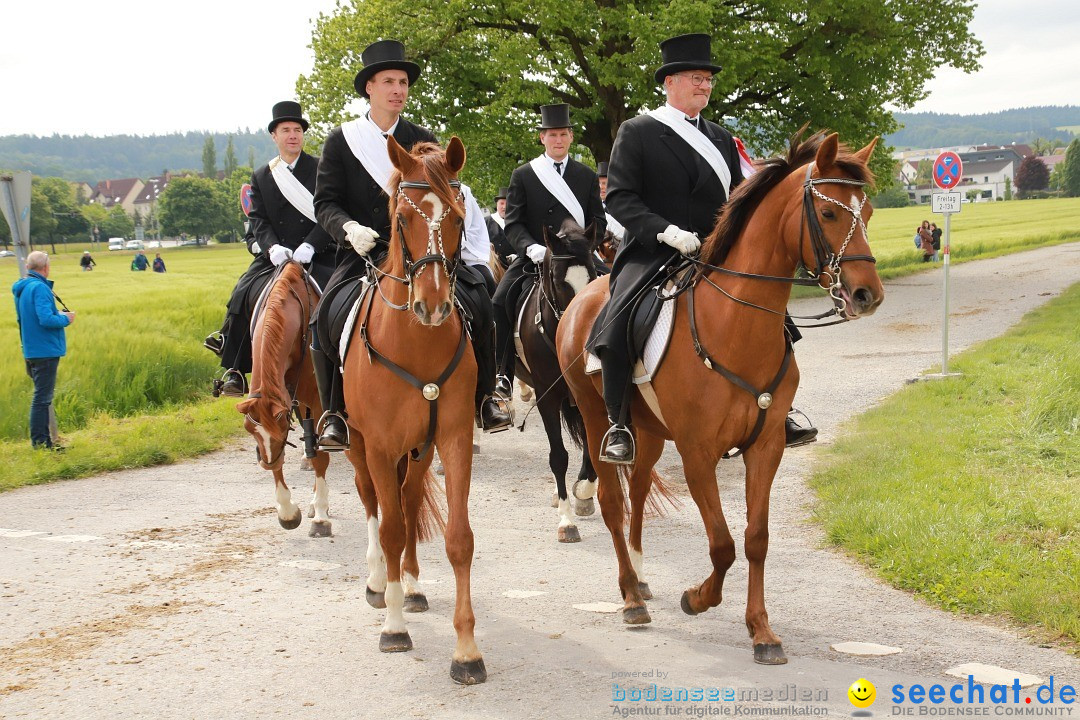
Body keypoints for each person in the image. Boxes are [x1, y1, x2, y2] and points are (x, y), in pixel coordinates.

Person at [591, 33, 816, 464]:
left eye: (709, 80)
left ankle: (775, 410)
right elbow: (619, 198)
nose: (705, 86)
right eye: (697, 78)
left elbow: (739, 197)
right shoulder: (637, 132)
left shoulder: (721, 139)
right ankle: (619, 422)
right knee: (618, 316)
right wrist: (666, 231)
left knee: (772, 317)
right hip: (654, 249)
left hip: (715, 251)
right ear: (670, 82)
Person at [311, 39, 511, 450]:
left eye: (402, 82)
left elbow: (442, 198)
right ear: (369, 87)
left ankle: (486, 396)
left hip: (422, 254)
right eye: (389, 82)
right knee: (323, 318)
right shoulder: (341, 141)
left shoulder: (423, 138)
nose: (398, 90)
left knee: (479, 302)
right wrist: (348, 228)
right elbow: (325, 203)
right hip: (365, 253)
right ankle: (334, 413)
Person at [203, 100, 336, 397]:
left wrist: (311, 245)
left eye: (298, 130)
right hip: (278, 255)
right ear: (274, 136)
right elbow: (258, 218)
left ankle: (341, 362)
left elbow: (331, 211)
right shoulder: (263, 175)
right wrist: (271, 247)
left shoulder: (322, 170)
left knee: (340, 296)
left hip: (319, 252)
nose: (293, 135)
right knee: (243, 291)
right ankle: (235, 366)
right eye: (286, 130)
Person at [493, 103, 606, 399]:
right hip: (536, 256)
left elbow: (599, 221)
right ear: (542, 138)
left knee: (620, 290)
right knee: (498, 301)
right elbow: (513, 223)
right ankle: (502, 374)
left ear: (570, 137)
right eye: (552, 134)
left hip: (578, 258)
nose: (558, 140)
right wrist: (531, 248)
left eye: (563, 134)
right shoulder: (524, 175)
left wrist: (585, 246)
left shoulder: (586, 175)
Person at [12, 251, 75, 450]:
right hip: (44, 350)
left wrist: (56, 313)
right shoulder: (39, 288)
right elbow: (45, 319)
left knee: (41, 398)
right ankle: (41, 444)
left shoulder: (23, 287)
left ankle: (43, 442)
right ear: (45, 267)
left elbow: (30, 317)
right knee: (42, 398)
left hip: (31, 349)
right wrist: (66, 318)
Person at [485, 186, 515, 273]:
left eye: (507, 203)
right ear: (497, 205)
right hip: (494, 269)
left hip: (515, 266)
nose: (504, 207)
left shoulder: (518, 222)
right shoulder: (486, 222)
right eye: (501, 203)